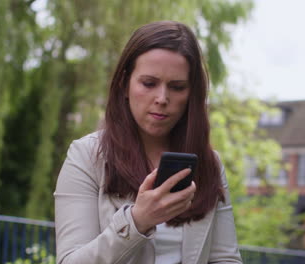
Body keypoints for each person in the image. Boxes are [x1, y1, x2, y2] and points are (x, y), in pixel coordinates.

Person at [54, 21, 242, 264]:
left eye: (177, 87)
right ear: (124, 84)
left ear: (191, 94)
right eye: (149, 83)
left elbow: (226, 259)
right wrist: (137, 221)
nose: (162, 98)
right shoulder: (87, 157)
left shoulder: (209, 164)